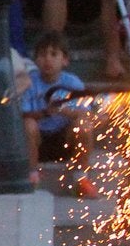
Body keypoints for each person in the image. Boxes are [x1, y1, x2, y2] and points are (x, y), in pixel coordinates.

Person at [21, 30, 98, 194]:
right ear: (36, 60)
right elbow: (22, 114)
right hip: (38, 140)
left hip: (65, 138)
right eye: (43, 55)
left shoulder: (72, 83)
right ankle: (31, 175)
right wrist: (46, 112)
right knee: (28, 124)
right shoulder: (29, 82)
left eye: (54, 54)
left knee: (84, 125)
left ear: (65, 60)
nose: (48, 59)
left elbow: (87, 113)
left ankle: (81, 177)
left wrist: (63, 110)